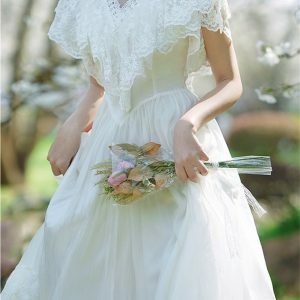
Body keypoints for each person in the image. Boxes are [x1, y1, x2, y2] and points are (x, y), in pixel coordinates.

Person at [1, 0, 277, 299]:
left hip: (175, 142)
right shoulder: (83, 5)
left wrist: (188, 123)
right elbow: (99, 85)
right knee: (90, 258)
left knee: (177, 262)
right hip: (110, 145)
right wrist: (74, 123)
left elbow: (229, 81)